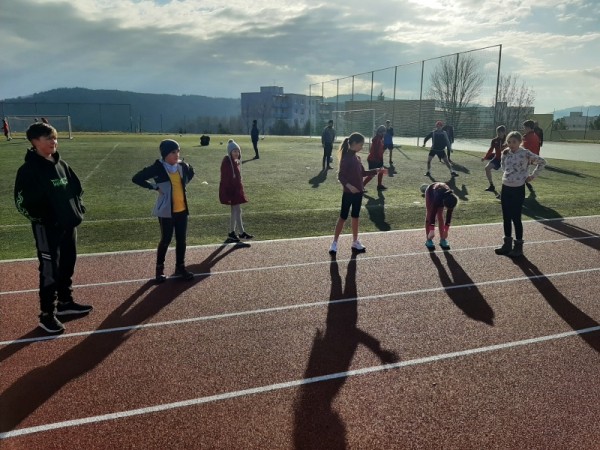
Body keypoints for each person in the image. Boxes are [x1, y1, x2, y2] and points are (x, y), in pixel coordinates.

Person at [14, 122, 92, 333]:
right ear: (34, 141)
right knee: (50, 271)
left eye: (55, 137)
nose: (53, 142)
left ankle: (65, 302)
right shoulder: (29, 170)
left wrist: (78, 210)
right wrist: (45, 219)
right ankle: (47, 314)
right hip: (47, 229)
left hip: (68, 226)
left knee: (67, 264)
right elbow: (21, 203)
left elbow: (77, 189)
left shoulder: (62, 165)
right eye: (48, 138)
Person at [132, 139, 195, 282]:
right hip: (166, 211)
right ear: (165, 154)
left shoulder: (182, 166)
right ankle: (159, 270)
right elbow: (137, 178)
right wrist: (154, 187)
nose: (177, 154)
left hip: (182, 210)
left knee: (181, 241)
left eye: (178, 151)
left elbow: (191, 172)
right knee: (166, 240)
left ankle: (180, 267)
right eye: (173, 152)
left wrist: (184, 183)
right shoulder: (157, 168)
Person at [328, 132, 386, 255]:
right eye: (361, 144)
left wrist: (377, 170)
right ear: (354, 143)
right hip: (348, 194)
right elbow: (341, 176)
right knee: (343, 217)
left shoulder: (357, 158)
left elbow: (363, 173)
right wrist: (349, 186)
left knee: (355, 217)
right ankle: (334, 243)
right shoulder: (346, 158)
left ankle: (355, 241)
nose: (362, 147)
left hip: (358, 193)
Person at [494, 131, 546, 258]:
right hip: (505, 187)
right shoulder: (506, 153)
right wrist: (508, 175)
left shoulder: (525, 153)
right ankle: (507, 245)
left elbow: (542, 162)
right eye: (509, 142)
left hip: (518, 189)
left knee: (516, 218)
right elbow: (503, 166)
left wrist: (532, 176)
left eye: (514, 142)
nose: (511, 144)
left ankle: (518, 247)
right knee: (506, 217)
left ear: (520, 142)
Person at [220, 139, 253, 243]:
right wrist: (227, 194)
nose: (237, 153)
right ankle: (236, 233)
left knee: (237, 211)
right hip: (231, 191)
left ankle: (236, 233)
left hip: (235, 190)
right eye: (234, 151)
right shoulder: (227, 162)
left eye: (238, 151)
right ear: (230, 152)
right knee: (235, 211)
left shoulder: (234, 162)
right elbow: (225, 179)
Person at [424, 182, 458, 250]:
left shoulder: (452, 199)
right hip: (431, 192)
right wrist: (432, 230)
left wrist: (446, 230)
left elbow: (449, 216)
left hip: (442, 196)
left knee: (440, 215)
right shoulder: (437, 197)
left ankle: (443, 239)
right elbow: (433, 214)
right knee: (429, 214)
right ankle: (428, 240)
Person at [481, 125, 507, 192]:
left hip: (506, 160)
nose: (498, 134)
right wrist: (485, 157)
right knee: (487, 168)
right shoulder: (494, 140)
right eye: (497, 132)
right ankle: (491, 186)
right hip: (497, 158)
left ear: (504, 132)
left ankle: (506, 189)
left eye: (500, 132)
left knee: (507, 174)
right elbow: (491, 150)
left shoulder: (508, 139)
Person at [363, 125, 387, 191]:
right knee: (372, 174)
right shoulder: (377, 139)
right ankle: (361, 186)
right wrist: (377, 158)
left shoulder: (381, 138)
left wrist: (384, 148)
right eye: (383, 132)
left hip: (378, 158)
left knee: (381, 170)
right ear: (380, 132)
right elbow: (376, 150)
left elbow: (380, 150)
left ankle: (379, 185)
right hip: (373, 159)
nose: (384, 133)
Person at [522, 120, 541, 194]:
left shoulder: (526, 137)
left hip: (526, 159)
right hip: (533, 158)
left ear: (528, 128)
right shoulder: (536, 136)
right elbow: (537, 148)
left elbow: (522, 149)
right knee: (523, 175)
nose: (524, 129)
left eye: (524, 127)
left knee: (519, 175)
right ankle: (529, 186)